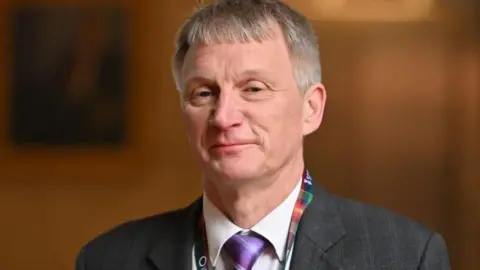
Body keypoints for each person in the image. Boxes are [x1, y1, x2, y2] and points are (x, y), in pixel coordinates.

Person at [75, 0, 450, 269]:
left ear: (311, 108)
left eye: (253, 88)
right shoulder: (108, 259)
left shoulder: (404, 256)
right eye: (203, 93)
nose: (223, 117)